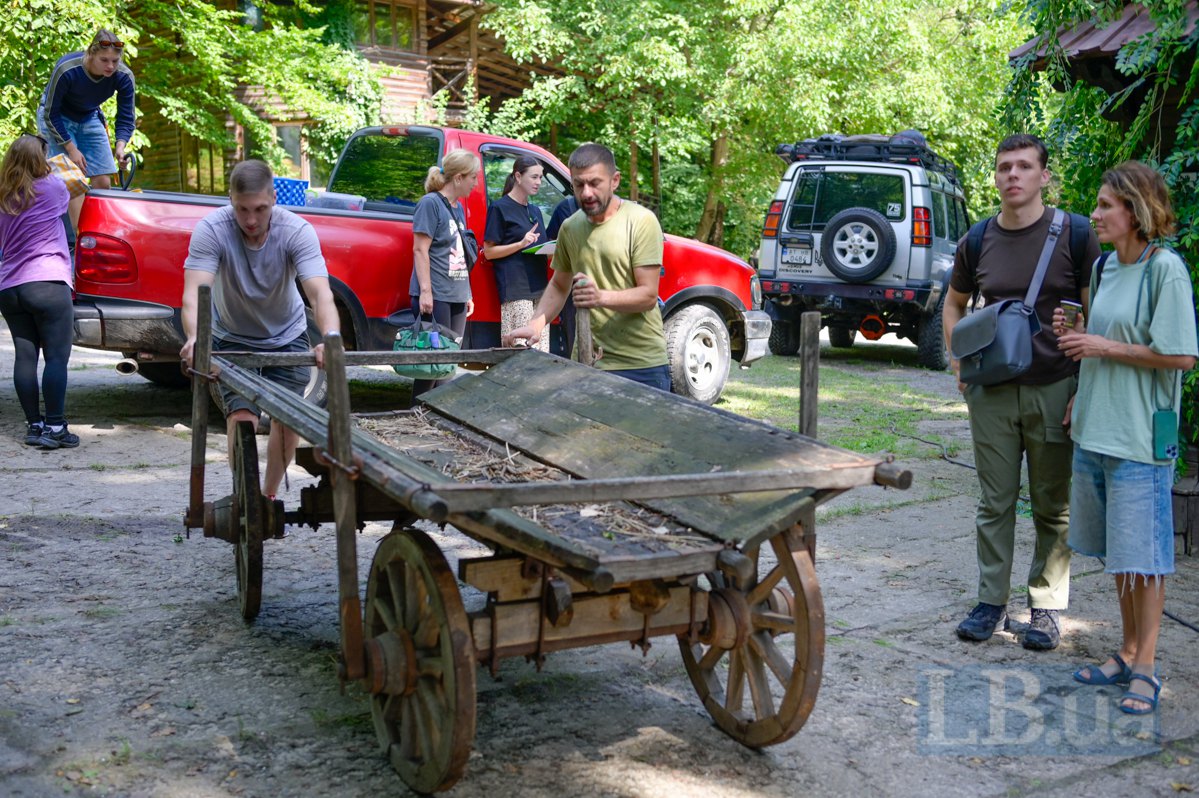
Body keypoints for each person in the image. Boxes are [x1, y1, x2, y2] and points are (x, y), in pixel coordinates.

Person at [943, 134, 1100, 650]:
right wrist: (957, 359)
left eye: (1024, 167)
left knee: (1053, 505)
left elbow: (1092, 314)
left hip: (1054, 386)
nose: (1013, 175)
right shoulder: (979, 237)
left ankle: (1047, 609)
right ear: (996, 176)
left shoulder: (1074, 234)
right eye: (1005, 167)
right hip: (991, 391)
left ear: (1043, 177)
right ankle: (991, 602)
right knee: (994, 501)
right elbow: (954, 303)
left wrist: (1084, 387)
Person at [1058, 162, 1197, 714]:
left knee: (1147, 557)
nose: (1094, 215)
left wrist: (1102, 347)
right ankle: (1126, 651)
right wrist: (1076, 354)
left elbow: (1182, 356)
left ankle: (1147, 669)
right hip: (1096, 427)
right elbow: (1099, 339)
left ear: (1136, 211)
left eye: (1105, 206)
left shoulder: (1167, 271)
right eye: (1096, 205)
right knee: (1121, 555)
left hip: (1141, 436)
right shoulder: (1102, 267)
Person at [180, 160, 339, 499]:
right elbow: (195, 293)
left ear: (274, 198)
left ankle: (266, 498)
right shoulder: (212, 229)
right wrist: (196, 338)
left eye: (260, 209)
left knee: (288, 418)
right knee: (241, 418)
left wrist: (329, 339)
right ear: (230, 200)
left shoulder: (296, 231)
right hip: (232, 338)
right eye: (242, 209)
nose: (251, 220)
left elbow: (319, 293)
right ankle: (246, 496)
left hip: (288, 335)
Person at [504, 143, 669, 391]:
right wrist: (536, 324)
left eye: (595, 183)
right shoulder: (570, 227)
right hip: (587, 363)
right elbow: (560, 285)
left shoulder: (640, 221)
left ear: (615, 181)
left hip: (640, 365)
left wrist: (600, 297)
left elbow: (647, 295)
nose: (587, 192)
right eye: (579, 184)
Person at [0, 134, 79, 449]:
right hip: (47, 281)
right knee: (57, 358)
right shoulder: (53, 187)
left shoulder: (3, 195)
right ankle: (56, 427)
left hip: (9, 287)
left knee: (25, 357)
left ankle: (34, 426)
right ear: (40, 159)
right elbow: (73, 190)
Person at [37, 29, 136, 230]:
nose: (110, 66)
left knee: (103, 181)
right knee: (74, 179)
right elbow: (50, 113)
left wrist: (120, 147)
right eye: (104, 60)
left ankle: (102, 234)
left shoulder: (124, 77)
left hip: (89, 116)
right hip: (57, 117)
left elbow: (126, 117)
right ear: (90, 53)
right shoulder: (67, 69)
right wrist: (71, 149)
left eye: (115, 61)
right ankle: (82, 238)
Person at [410, 148, 478, 398]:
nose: (476, 183)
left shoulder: (457, 208)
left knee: (448, 363)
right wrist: (425, 292)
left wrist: (467, 292)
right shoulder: (430, 204)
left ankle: (437, 418)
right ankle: (416, 414)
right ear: (458, 178)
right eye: (473, 177)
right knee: (431, 363)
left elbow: (459, 250)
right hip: (435, 294)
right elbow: (419, 250)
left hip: (457, 293)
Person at [483, 156, 549, 351]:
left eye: (541, 178)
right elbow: (489, 252)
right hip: (516, 289)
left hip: (540, 288)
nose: (538, 182)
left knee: (541, 349)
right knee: (520, 350)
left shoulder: (535, 210)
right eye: (534, 177)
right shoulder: (499, 207)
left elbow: (540, 247)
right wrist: (520, 244)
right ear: (518, 176)